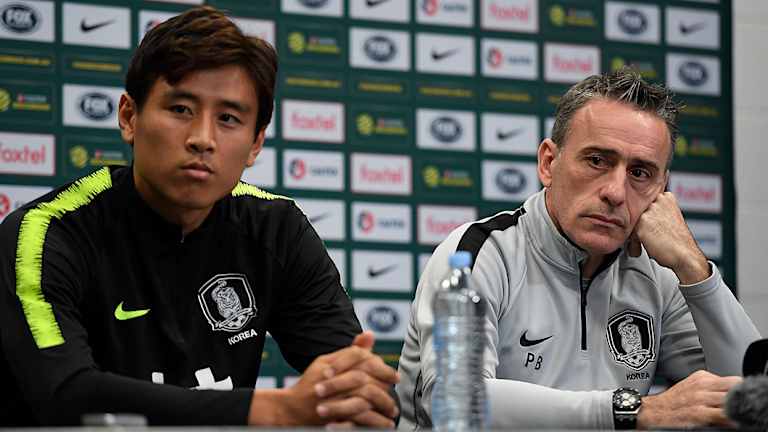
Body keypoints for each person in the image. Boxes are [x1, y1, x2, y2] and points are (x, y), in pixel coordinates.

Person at [0, 6, 398, 427]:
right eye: (181, 110)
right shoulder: (44, 234)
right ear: (129, 117)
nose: (202, 139)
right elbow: (65, 392)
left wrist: (355, 392)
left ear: (255, 143)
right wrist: (268, 409)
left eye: (228, 119)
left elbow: (358, 385)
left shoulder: (276, 227)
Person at [396, 68, 761, 429]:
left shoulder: (661, 275)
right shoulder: (482, 253)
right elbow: (455, 401)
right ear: (548, 163)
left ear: (662, 189)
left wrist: (693, 268)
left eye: (640, 173)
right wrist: (631, 412)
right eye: (597, 161)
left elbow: (754, 405)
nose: (615, 193)